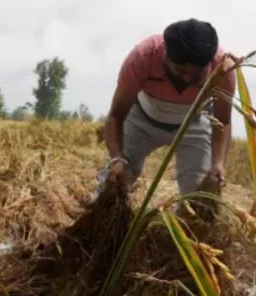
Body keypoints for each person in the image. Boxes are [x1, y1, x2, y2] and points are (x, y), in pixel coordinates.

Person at [94, 18, 237, 205]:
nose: (186, 80)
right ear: (166, 56)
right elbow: (116, 116)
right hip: (141, 121)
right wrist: (116, 159)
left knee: (198, 197)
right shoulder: (144, 56)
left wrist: (217, 164)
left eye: (195, 75)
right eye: (179, 70)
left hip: (193, 125)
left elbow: (223, 121)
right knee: (114, 182)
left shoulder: (223, 70)